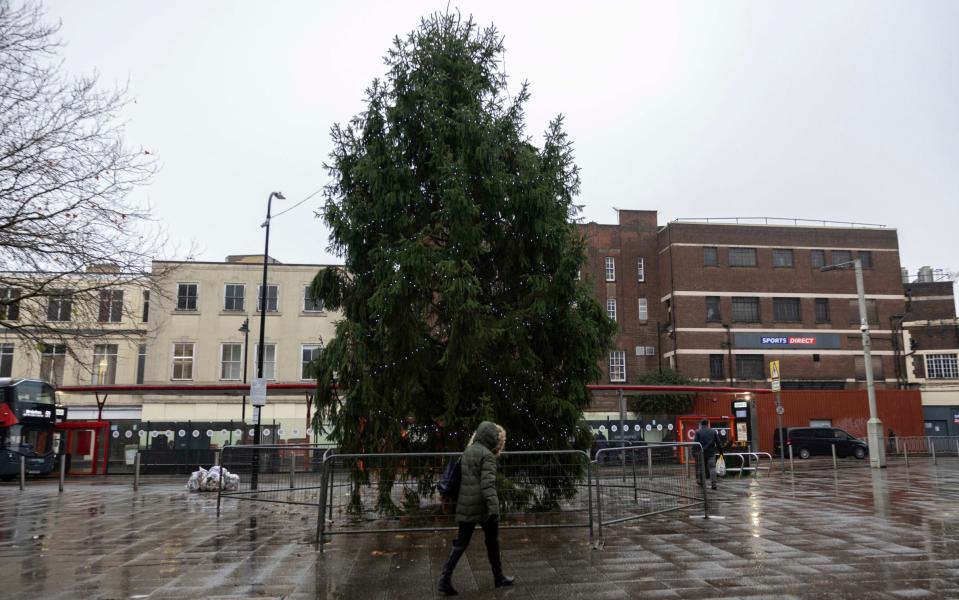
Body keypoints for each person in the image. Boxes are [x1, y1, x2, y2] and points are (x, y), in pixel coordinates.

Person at [438, 421, 515, 596]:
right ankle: (499, 577)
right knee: (492, 542)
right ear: (491, 438)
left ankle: (444, 579)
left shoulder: (468, 451)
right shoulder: (487, 455)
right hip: (483, 508)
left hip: (466, 505)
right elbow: (488, 485)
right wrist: (494, 509)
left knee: (461, 544)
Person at [693, 418, 725, 490]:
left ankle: (701, 482)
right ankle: (714, 484)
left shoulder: (698, 432)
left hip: (701, 453)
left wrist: (693, 452)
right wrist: (721, 452)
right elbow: (718, 443)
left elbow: (695, 443)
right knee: (712, 468)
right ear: (708, 424)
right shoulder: (713, 431)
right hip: (711, 453)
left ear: (701, 424)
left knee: (701, 467)